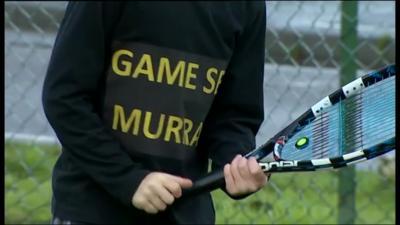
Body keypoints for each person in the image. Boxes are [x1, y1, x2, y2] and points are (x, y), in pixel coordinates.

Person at [42, 2, 268, 224]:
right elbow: (64, 98)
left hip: (185, 211)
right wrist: (128, 179)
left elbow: (234, 117)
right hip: (93, 208)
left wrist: (236, 164)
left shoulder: (246, 6)